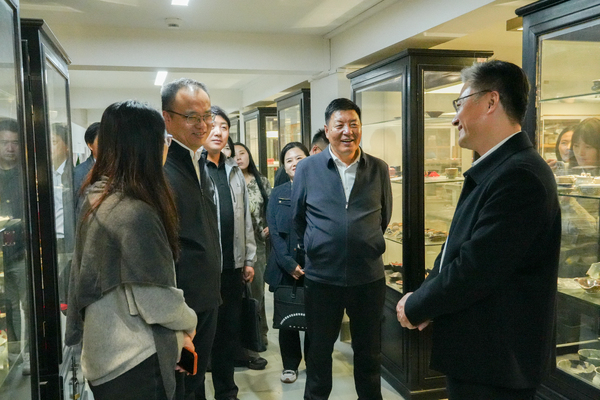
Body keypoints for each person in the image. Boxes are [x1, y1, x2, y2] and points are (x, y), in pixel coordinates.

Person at [396, 60, 561, 400]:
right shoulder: (499, 168)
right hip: (481, 356)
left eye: (460, 103)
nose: (455, 118)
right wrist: (426, 299)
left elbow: (475, 268)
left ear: (490, 102)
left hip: (496, 362)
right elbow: (455, 248)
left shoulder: (520, 176)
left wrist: (418, 305)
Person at [65, 100, 197, 400]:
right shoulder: (134, 211)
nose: (166, 146)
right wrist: (189, 323)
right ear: (146, 146)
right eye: (164, 139)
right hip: (134, 360)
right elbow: (154, 299)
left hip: (104, 352)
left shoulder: (98, 194)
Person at [292, 98, 392, 400]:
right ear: (327, 130)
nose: (347, 131)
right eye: (340, 125)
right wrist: (320, 246)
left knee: (369, 354)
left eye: (354, 124)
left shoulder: (378, 168)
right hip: (322, 279)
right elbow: (298, 218)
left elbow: (384, 217)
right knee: (319, 353)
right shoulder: (308, 168)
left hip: (368, 279)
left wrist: (363, 241)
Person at [161, 78, 222, 400]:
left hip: (207, 296)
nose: (203, 125)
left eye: (207, 115)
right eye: (192, 117)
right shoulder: (162, 170)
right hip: (182, 306)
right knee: (181, 385)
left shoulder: (200, 161)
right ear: (167, 118)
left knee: (196, 382)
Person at [200, 105, 256, 400]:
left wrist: (248, 259)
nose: (218, 132)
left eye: (224, 126)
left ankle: (227, 392)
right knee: (199, 336)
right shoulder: (194, 166)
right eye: (212, 125)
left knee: (227, 334)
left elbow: (245, 218)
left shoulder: (233, 169)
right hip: (202, 271)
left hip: (232, 268)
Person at [264, 141, 311, 384]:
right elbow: (274, 232)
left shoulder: (319, 188)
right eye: (289, 160)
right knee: (287, 317)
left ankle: (314, 363)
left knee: (315, 318)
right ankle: (290, 366)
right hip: (285, 266)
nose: (294, 163)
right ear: (284, 166)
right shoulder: (278, 193)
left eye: (299, 158)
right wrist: (288, 264)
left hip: (314, 266)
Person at [233, 142, 270, 370]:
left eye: (242, 153)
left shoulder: (261, 181)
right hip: (234, 246)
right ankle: (240, 342)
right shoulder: (229, 180)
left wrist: (270, 226)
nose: (239, 157)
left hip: (258, 244)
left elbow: (270, 208)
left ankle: (259, 336)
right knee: (237, 295)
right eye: (235, 154)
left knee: (257, 294)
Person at [0, 118, 28, 371]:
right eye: (4, 142)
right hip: (1, 255)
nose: (10, 148)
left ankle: (30, 354)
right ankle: (12, 353)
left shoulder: (29, 174)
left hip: (23, 251)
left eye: (15, 143)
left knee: (29, 305)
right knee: (7, 307)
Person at [73, 122, 100, 212]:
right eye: (101, 141)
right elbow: (76, 207)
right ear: (90, 145)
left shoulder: (117, 168)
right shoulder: (79, 172)